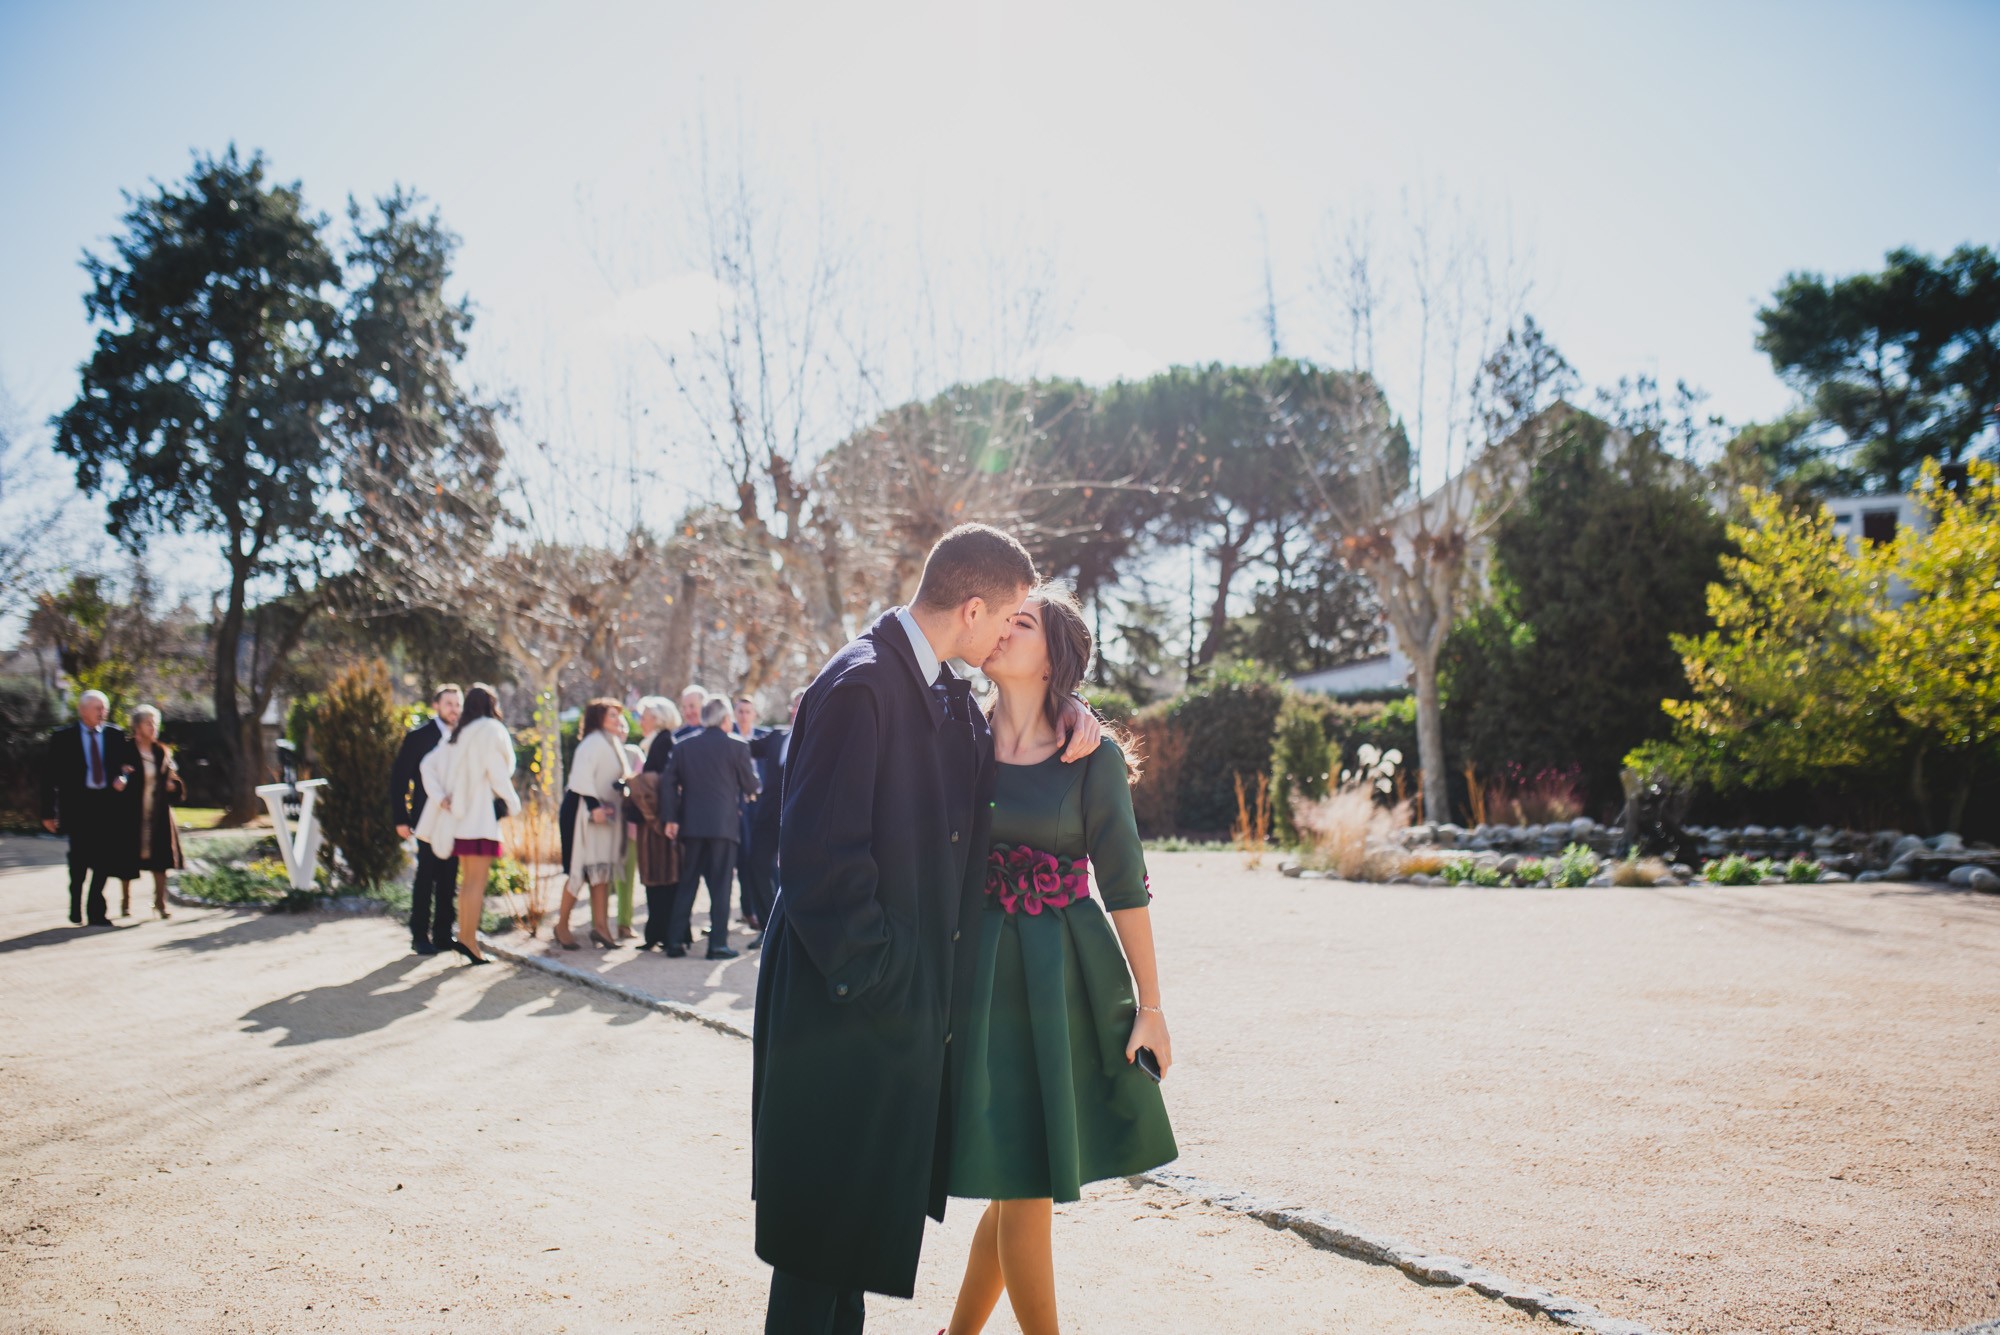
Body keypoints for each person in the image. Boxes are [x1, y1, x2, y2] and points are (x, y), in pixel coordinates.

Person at [752, 524, 1101, 1334]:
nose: (1014, 630)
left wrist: (1066, 703)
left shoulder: (942, 694)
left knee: (850, 1247)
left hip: (887, 1020)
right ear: (972, 608)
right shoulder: (860, 685)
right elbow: (819, 871)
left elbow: (1002, 750)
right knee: (816, 1254)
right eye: (1012, 616)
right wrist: (892, 979)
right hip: (840, 1014)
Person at [943, 586, 1176, 1335]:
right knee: (1019, 1173)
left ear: (1055, 657)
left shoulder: (1092, 754)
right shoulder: (958, 741)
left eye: (1023, 622)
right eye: (1001, 618)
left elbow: (1125, 884)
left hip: (1060, 982)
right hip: (977, 980)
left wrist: (1152, 1005)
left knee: (1027, 1177)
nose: (1003, 629)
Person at [415, 683, 521, 966]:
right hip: (481, 818)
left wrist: (442, 799)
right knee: (477, 881)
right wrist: (513, 803)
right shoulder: (490, 731)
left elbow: (427, 766)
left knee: (467, 882)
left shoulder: (456, 735)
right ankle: (469, 940)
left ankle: (466, 936)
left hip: (459, 820)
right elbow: (499, 774)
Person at [661, 697, 761, 959]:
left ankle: (674, 942)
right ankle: (717, 945)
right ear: (726, 719)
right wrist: (752, 790)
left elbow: (667, 783)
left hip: (691, 825)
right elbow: (751, 785)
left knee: (688, 882)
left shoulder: (684, 746)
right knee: (721, 885)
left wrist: (671, 818)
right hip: (724, 825)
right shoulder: (737, 747)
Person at [39, 689, 132, 927]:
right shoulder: (63, 737)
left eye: (105, 709)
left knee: (104, 859)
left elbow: (127, 768)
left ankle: (96, 911)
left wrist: (123, 778)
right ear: (82, 711)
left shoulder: (115, 735)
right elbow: (48, 778)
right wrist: (48, 813)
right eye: (97, 708)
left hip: (106, 806)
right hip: (78, 807)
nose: (102, 713)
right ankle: (76, 902)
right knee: (79, 859)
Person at [392, 685, 463, 956]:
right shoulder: (419, 737)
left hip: (455, 819)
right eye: (448, 704)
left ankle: (444, 933)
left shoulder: (462, 737)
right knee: (426, 876)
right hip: (425, 819)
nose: (454, 709)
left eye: (457, 704)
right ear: (436, 705)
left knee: (449, 877)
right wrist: (401, 818)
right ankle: (419, 935)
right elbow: (399, 779)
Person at [557, 698, 631, 950]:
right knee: (579, 869)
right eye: (611, 715)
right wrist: (594, 806)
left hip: (605, 816)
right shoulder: (591, 743)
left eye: (617, 715)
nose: (617, 720)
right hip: (584, 813)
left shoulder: (613, 743)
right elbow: (580, 777)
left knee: (601, 871)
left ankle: (601, 928)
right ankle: (562, 926)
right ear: (598, 717)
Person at [739, 690, 800, 946]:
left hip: (798, 818)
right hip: (768, 815)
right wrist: (740, 722)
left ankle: (794, 932)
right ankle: (768, 929)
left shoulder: (820, 737)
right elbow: (746, 747)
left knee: (796, 874)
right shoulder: (776, 735)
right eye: (796, 705)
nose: (799, 710)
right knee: (757, 865)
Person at [117, 705, 186, 921]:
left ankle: (160, 902)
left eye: (155, 723)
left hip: (158, 812)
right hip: (132, 811)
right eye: (148, 723)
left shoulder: (161, 751)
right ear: (137, 726)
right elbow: (116, 776)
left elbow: (173, 777)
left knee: (161, 857)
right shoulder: (125, 750)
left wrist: (173, 786)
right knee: (128, 856)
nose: (153, 727)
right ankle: (126, 901)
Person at [626, 696, 684, 951]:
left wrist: (632, 782)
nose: (641, 720)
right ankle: (659, 933)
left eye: (646, 716)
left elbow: (660, 783)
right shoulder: (658, 742)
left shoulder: (662, 743)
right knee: (660, 880)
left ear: (658, 719)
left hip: (659, 825)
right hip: (657, 823)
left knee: (663, 880)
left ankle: (663, 934)